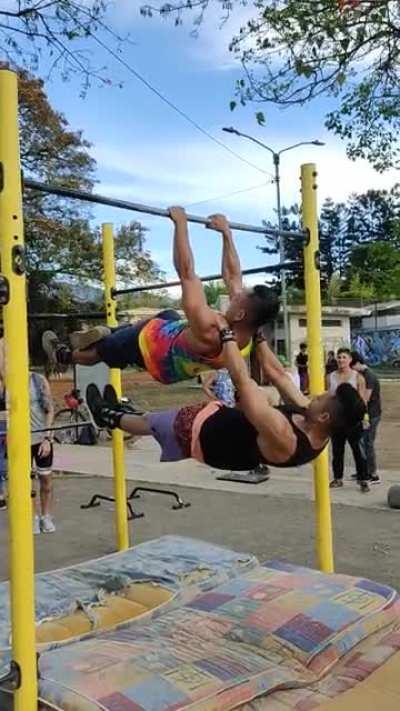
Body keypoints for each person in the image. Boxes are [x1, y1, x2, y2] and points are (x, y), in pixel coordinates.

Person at [86, 325, 366, 474]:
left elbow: (243, 384)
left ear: (325, 416)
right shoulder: (315, 419)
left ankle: (107, 417)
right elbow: (278, 374)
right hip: (219, 419)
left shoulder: (286, 436)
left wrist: (228, 337)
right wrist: (258, 338)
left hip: (206, 438)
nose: (315, 396)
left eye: (323, 398)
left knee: (152, 423)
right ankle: (120, 410)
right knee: (154, 418)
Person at [42, 209, 279, 385]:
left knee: (103, 351)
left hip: (152, 351)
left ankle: (65, 355)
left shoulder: (209, 328)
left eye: (238, 299)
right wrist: (227, 234)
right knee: (167, 315)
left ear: (240, 313)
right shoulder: (248, 334)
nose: (234, 295)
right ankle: (110, 332)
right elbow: (233, 276)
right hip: (169, 333)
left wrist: (180, 224)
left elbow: (187, 274)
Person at [328, 347, 369, 492]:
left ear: (350, 360)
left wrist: (365, 418)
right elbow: (328, 397)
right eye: (339, 357)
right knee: (337, 452)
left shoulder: (358, 377)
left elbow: (362, 400)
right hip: (337, 421)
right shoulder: (331, 376)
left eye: (344, 357)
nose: (341, 360)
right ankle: (338, 478)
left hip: (353, 421)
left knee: (358, 450)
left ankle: (363, 479)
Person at [30, 371, 56, 534]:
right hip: (19, 441)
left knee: (45, 479)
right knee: (26, 483)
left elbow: (50, 410)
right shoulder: (6, 382)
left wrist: (47, 438)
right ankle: (32, 517)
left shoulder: (37, 380)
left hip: (40, 438)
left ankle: (46, 516)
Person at [351, 351, 382, 484]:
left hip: (371, 415)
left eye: (352, 366)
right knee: (361, 443)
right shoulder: (363, 375)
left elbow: (366, 398)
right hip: (365, 414)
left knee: (367, 443)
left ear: (357, 363)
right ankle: (363, 470)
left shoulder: (369, 376)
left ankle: (373, 474)